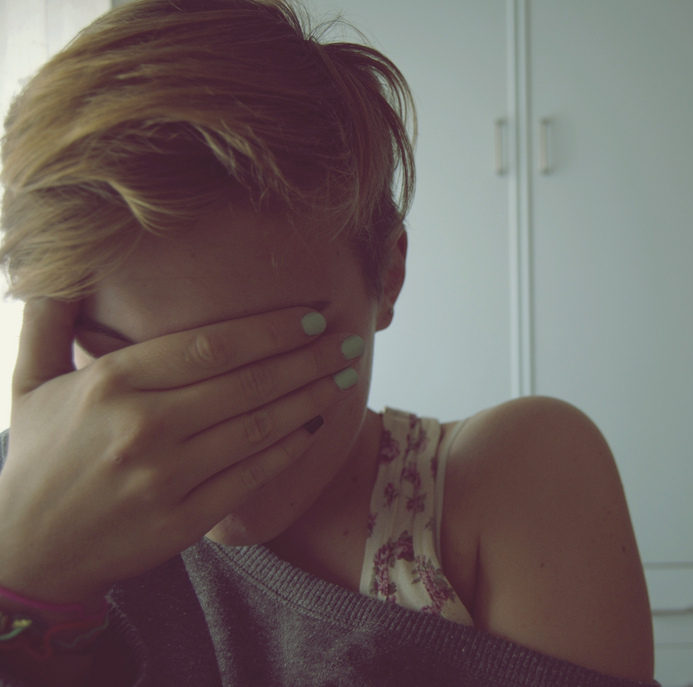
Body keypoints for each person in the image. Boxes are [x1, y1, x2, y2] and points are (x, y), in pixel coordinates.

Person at [0, 1, 656, 685]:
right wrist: (26, 584)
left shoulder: (501, 486)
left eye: (270, 362)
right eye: (118, 364)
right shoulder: (25, 497)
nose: (200, 432)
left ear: (387, 276)